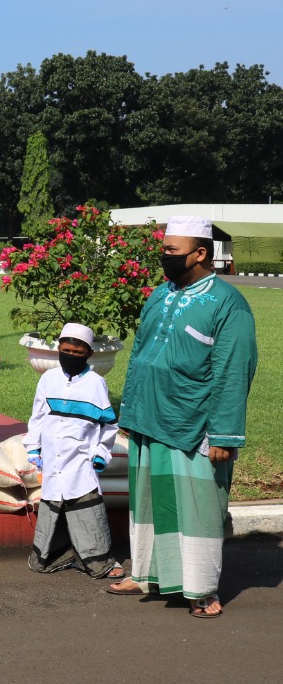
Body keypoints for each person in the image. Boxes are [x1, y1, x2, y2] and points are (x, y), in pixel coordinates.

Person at [107, 216, 257, 618]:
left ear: (201, 253)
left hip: (192, 424)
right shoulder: (160, 293)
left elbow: (232, 370)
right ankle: (146, 573)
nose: (164, 257)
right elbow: (140, 353)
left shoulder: (228, 304)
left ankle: (202, 590)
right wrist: (131, 411)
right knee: (150, 504)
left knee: (196, 508)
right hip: (148, 417)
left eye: (172, 251)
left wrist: (224, 435)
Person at [24, 322, 125, 579]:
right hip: (51, 459)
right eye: (66, 350)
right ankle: (53, 556)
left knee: (86, 507)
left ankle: (99, 561)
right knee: (53, 505)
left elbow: (109, 425)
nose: (70, 356)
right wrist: (33, 448)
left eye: (77, 353)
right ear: (59, 348)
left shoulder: (95, 384)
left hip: (81, 460)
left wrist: (101, 454)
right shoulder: (48, 379)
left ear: (89, 354)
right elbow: (37, 417)